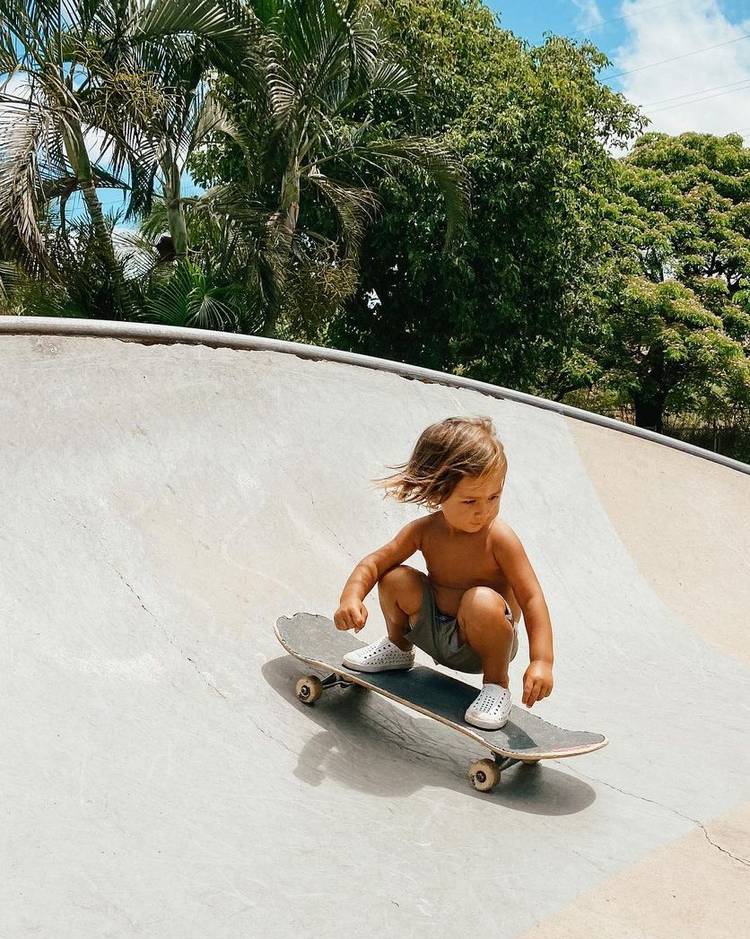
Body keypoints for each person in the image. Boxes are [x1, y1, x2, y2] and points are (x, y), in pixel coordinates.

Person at [333, 416, 554, 730]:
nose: (484, 511)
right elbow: (374, 563)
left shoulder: (499, 539)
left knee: (481, 601)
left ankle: (497, 686)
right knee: (396, 577)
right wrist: (351, 598)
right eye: (470, 500)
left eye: (494, 497)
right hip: (431, 630)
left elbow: (531, 598)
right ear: (437, 493)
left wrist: (542, 661)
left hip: (481, 647)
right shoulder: (424, 531)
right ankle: (398, 647)